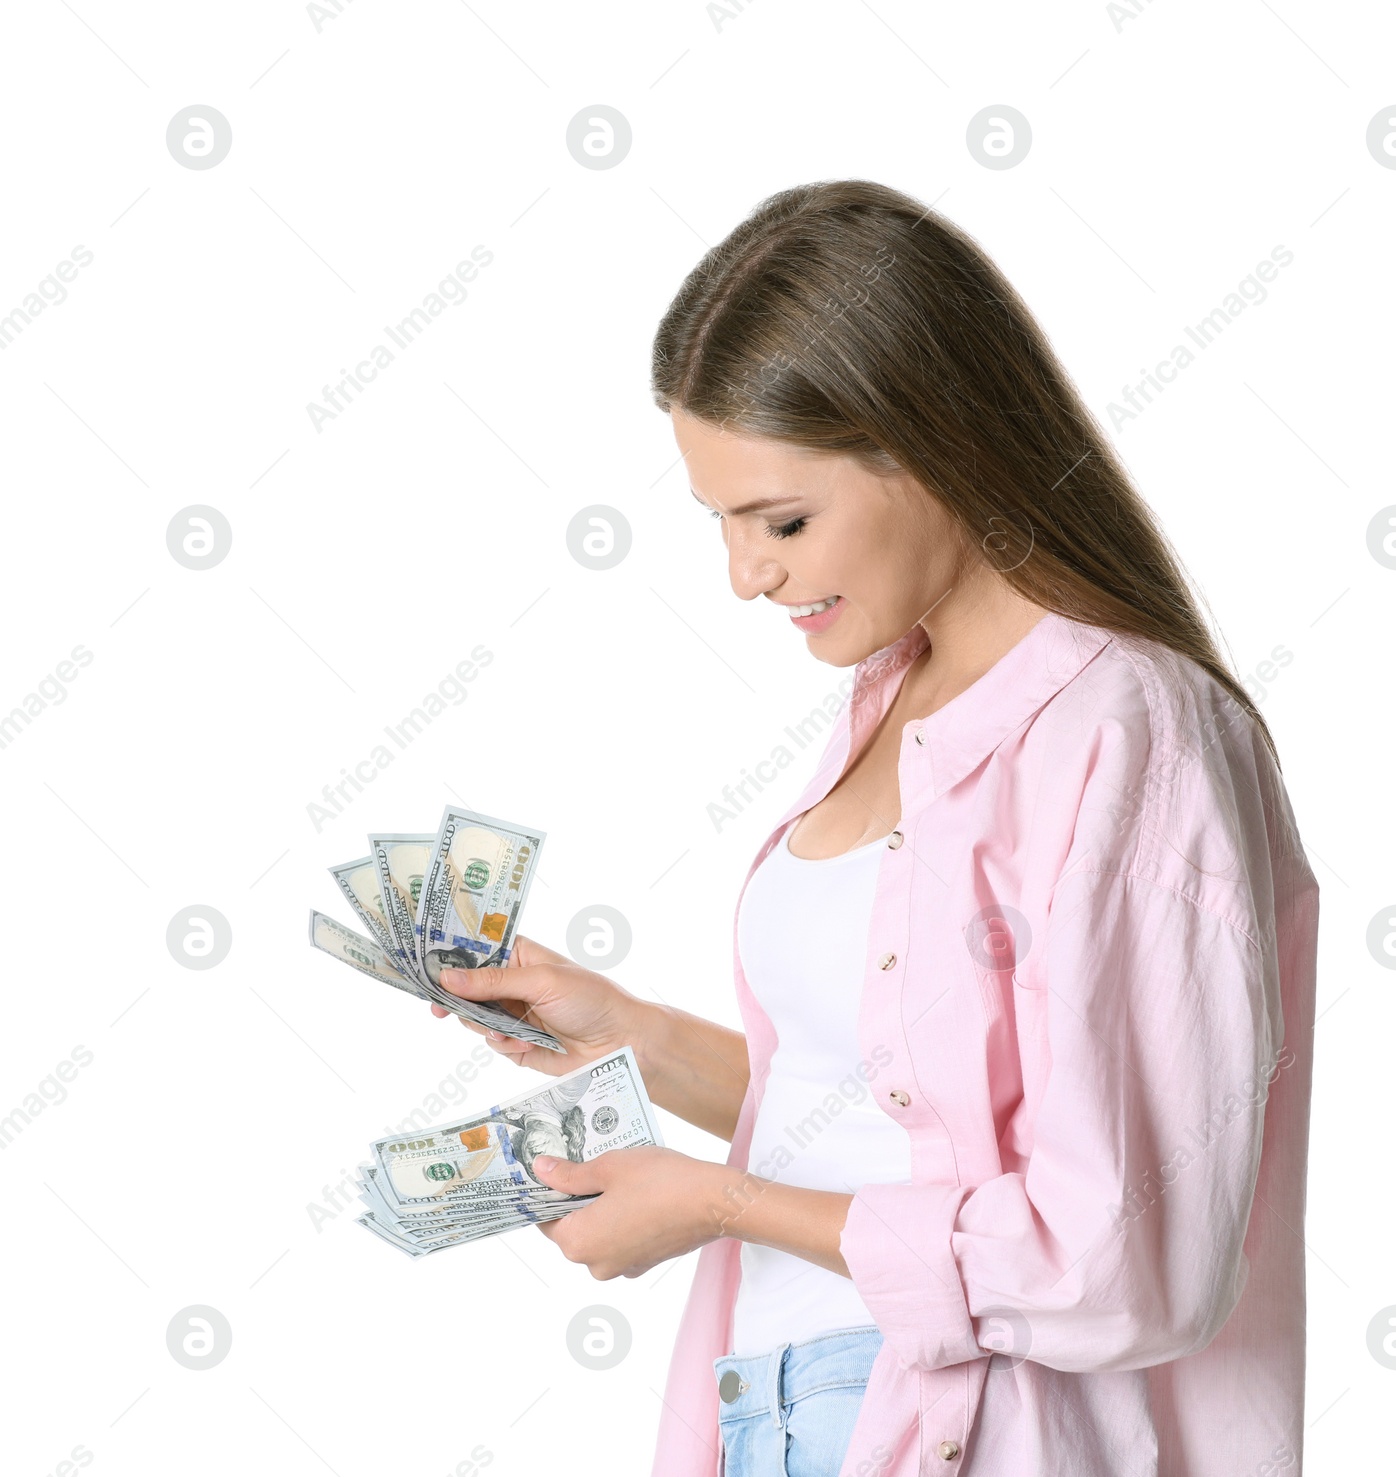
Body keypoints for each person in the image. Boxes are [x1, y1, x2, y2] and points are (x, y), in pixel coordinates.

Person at [431, 180, 1319, 1477]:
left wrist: (716, 1202)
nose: (746, 573)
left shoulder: (1126, 733)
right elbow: (910, 1128)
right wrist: (625, 1031)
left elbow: (1126, 1260)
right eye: (721, 522)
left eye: (781, 519)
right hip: (780, 1416)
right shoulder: (890, 699)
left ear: (940, 442)